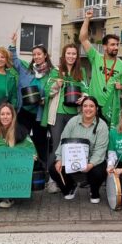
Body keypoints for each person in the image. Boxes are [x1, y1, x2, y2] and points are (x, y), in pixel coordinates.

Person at [43, 43, 87, 192]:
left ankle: (69, 179)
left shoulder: (81, 71)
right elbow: (47, 92)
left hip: (74, 114)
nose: (71, 56)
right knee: (56, 147)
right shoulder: (56, 71)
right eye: (69, 53)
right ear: (64, 55)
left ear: (77, 56)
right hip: (58, 114)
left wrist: (83, 98)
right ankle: (52, 179)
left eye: (74, 54)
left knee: (71, 147)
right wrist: (56, 85)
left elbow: (86, 90)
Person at [50, 96, 109, 202]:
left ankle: (94, 192)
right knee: (53, 168)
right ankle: (70, 187)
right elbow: (63, 140)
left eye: (91, 106)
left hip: (92, 161)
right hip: (72, 159)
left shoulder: (102, 126)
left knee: (99, 171)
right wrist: (59, 159)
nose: (88, 109)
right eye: (85, 106)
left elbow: (100, 150)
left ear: (96, 109)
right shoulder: (73, 121)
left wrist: (90, 164)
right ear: (81, 108)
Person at [78, 9, 122, 127]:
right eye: (112, 45)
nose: (116, 47)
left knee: (106, 137)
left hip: (110, 108)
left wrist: (121, 86)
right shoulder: (96, 57)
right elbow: (83, 39)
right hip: (92, 105)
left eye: (117, 45)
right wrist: (87, 19)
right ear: (105, 46)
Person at [9, 32, 52, 171]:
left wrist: (45, 99)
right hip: (25, 111)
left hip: (40, 114)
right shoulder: (26, 69)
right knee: (19, 138)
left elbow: (54, 90)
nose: (36, 57)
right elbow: (14, 59)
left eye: (39, 54)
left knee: (40, 142)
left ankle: (41, 169)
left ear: (45, 55)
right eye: (34, 55)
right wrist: (13, 44)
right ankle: (18, 167)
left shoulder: (51, 73)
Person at [0, 103, 35, 208]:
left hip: (15, 167)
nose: (5, 117)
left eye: (8, 114)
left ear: (13, 116)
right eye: (2, 114)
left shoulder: (20, 131)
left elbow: (30, 149)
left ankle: (9, 196)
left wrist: (30, 156)